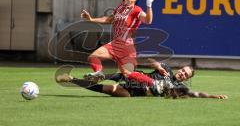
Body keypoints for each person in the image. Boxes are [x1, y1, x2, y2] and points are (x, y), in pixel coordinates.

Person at [80, 0, 158, 87]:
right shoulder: (120, 7)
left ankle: (98, 73)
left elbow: (148, 20)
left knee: (94, 57)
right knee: (127, 73)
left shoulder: (136, 10)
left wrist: (149, 4)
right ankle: (155, 83)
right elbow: (109, 19)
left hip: (124, 45)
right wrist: (91, 19)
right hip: (121, 45)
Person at [55, 59, 228, 99]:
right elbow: (150, 61)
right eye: (183, 70)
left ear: (187, 78)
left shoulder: (179, 87)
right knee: (124, 73)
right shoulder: (166, 68)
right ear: (179, 68)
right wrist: (157, 65)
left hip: (134, 92)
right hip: (137, 78)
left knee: (106, 90)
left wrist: (212, 96)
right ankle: (101, 75)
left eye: (186, 74)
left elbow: (196, 94)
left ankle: (71, 79)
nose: (182, 73)